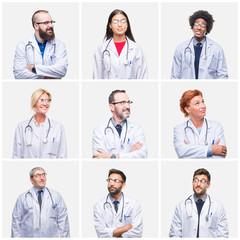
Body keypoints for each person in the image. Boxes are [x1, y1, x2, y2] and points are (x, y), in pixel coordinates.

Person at [11, 167, 70, 238]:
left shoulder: (56, 196)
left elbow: (63, 220)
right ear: (31, 180)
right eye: (38, 175)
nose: (42, 178)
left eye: (44, 175)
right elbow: (16, 222)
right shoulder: (22, 198)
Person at [169, 168, 229, 238]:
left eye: (202, 181)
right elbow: (175, 234)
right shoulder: (181, 206)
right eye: (196, 180)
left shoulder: (218, 206)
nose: (198, 184)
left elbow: (223, 235)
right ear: (192, 182)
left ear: (208, 185)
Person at [171, 10, 228, 79]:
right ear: (192, 26)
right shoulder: (181, 48)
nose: (199, 28)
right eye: (196, 24)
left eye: (203, 25)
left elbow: (223, 76)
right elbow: (175, 76)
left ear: (207, 29)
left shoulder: (217, 49)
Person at [93, 9, 148, 79]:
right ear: (110, 25)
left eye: (123, 21)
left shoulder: (136, 49)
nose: (120, 25)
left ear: (127, 24)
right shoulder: (101, 49)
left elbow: (143, 77)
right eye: (115, 21)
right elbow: (97, 77)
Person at [92, 90, 148, 158]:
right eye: (122, 102)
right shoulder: (99, 130)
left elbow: (142, 155)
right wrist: (130, 152)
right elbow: (99, 157)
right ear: (112, 107)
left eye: (128, 102)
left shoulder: (137, 129)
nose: (128, 106)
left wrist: (112, 156)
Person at [12, 88, 67, 158]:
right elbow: (16, 156)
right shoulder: (21, 127)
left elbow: (62, 156)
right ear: (34, 104)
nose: (45, 103)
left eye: (48, 100)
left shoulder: (58, 127)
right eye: (41, 100)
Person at [13, 10, 68, 79]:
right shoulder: (22, 45)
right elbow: (19, 74)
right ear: (36, 26)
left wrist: (34, 68)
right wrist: (48, 76)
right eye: (46, 23)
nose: (51, 25)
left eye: (51, 22)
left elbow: (62, 70)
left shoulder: (59, 45)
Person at [174, 89, 227, 158]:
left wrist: (191, 153)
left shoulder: (216, 126)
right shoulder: (179, 129)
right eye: (197, 103)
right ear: (187, 109)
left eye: (203, 102)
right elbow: (181, 152)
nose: (203, 106)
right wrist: (210, 150)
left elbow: (221, 154)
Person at [93, 169, 143, 238]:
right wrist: (126, 228)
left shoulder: (133, 204)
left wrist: (113, 235)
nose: (112, 184)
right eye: (110, 180)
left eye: (116, 181)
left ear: (123, 185)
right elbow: (101, 233)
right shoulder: (99, 206)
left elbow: (137, 232)